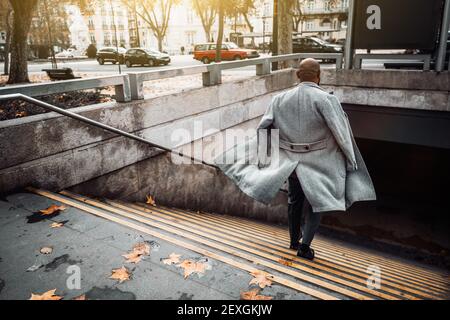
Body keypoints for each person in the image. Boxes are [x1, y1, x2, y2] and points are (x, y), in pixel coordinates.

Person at [215, 58, 376, 260]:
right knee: (319, 203)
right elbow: (341, 134)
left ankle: (293, 241)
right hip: (321, 162)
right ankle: (304, 246)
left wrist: (266, 161)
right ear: (319, 76)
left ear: (297, 75)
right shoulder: (327, 100)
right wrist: (350, 160)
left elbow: (264, 129)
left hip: (290, 162)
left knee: (294, 200)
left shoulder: (279, 99)